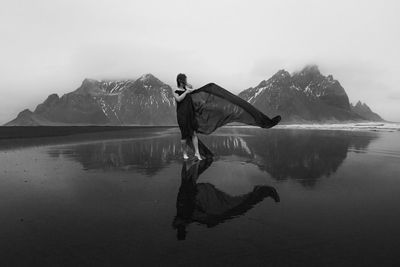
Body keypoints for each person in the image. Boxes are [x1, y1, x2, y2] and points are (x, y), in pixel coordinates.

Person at [172, 73, 282, 160]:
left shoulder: (187, 88)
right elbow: (178, 99)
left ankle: (197, 153)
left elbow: (191, 87)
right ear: (180, 81)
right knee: (184, 136)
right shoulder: (176, 91)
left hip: (190, 114)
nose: (186, 82)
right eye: (184, 80)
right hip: (181, 115)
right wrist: (186, 92)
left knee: (193, 133)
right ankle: (184, 153)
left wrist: (187, 86)